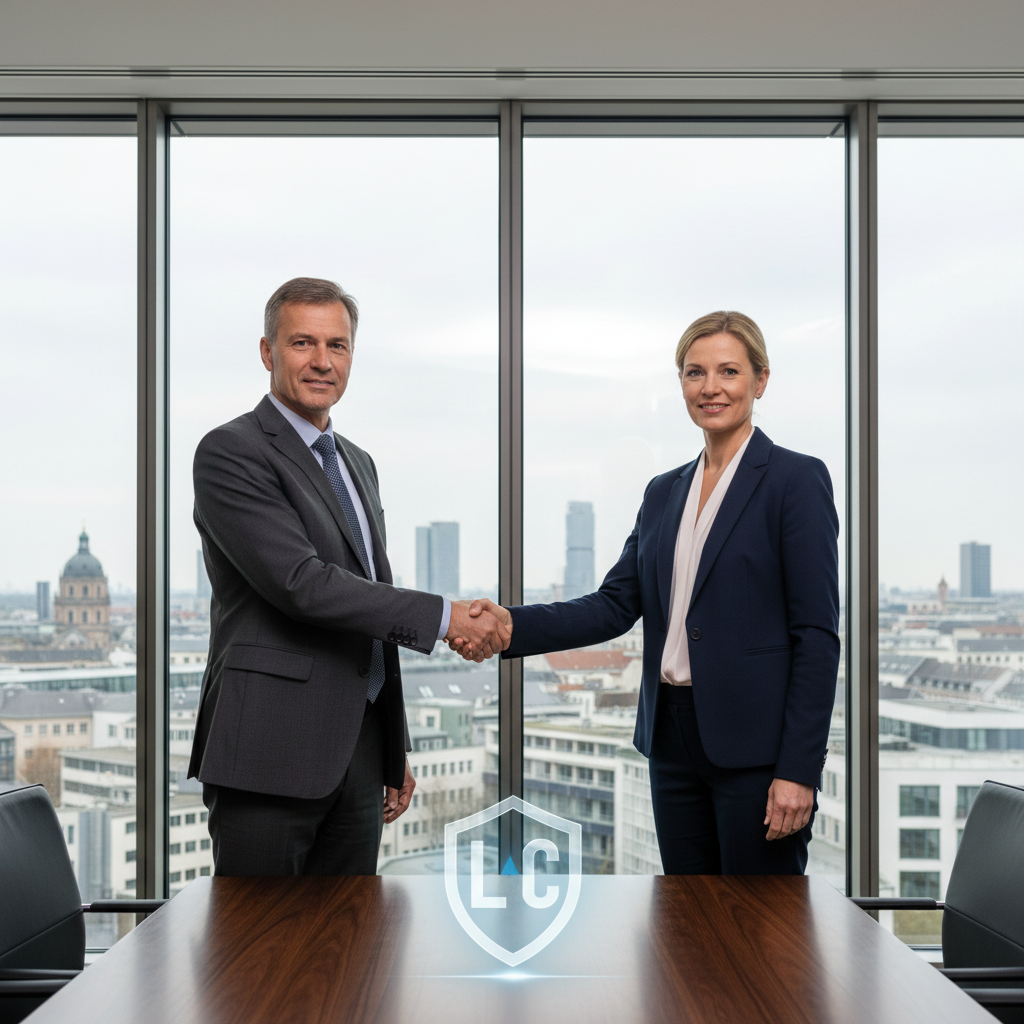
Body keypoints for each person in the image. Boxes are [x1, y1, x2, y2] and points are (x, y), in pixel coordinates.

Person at [453, 311, 839, 874]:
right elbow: (613, 605)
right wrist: (510, 625)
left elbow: (817, 637)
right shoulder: (663, 492)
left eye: (729, 371)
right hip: (670, 740)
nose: (710, 387)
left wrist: (798, 770)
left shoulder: (795, 480)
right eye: (694, 373)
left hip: (755, 751)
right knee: (684, 914)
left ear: (760, 381)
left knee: (759, 920)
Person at [188, 277, 511, 876]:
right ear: (267, 352)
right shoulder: (230, 452)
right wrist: (446, 616)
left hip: (358, 755)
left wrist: (391, 746)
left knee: (350, 930)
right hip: (268, 753)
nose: (322, 361)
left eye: (336, 345)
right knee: (256, 934)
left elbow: (371, 606)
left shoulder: (357, 463)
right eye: (302, 343)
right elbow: (302, 584)